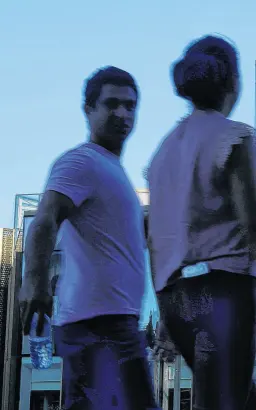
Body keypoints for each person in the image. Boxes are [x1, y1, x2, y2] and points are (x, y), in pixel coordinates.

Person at [147, 35, 256, 410]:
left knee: (242, 399)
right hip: (224, 295)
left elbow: (157, 239)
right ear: (231, 83)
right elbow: (255, 227)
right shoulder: (232, 137)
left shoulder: (164, 152)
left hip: (177, 300)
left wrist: (165, 317)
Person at [19, 66, 158, 410]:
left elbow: (123, 239)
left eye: (130, 106)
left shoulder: (114, 172)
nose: (123, 114)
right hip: (98, 324)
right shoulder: (81, 162)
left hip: (111, 321)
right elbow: (45, 219)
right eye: (111, 104)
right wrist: (34, 283)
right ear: (89, 109)